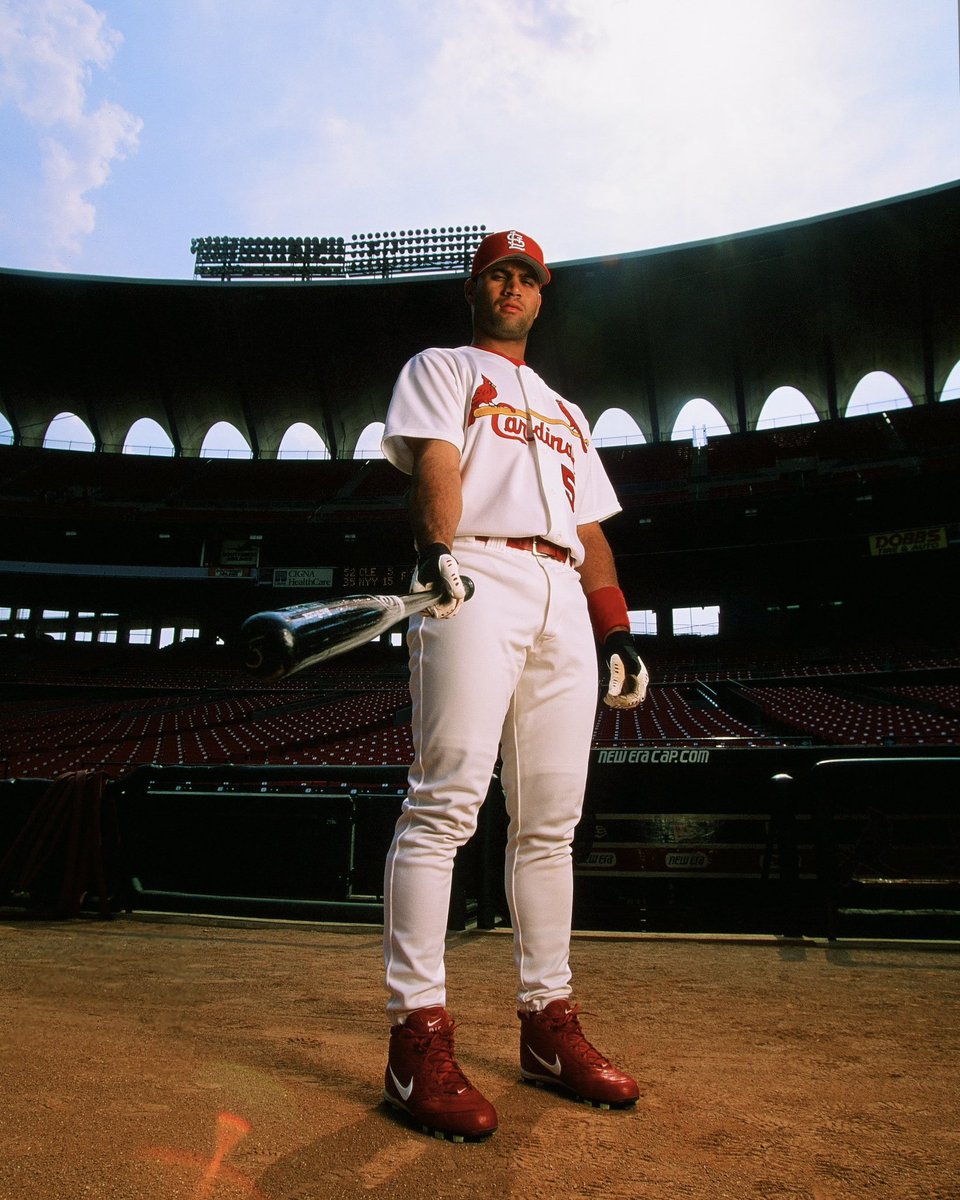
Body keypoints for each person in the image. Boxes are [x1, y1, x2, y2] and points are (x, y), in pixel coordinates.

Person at [379, 229, 649, 1142]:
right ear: (475, 287)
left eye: (528, 277)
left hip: (562, 588)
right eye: (500, 272)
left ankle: (546, 1024)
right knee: (444, 804)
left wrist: (616, 627)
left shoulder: (568, 410)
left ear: (541, 296)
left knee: (550, 824)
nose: (514, 287)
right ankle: (416, 1034)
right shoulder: (444, 367)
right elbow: (437, 462)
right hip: (478, 571)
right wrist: (436, 549)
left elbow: (592, 528)